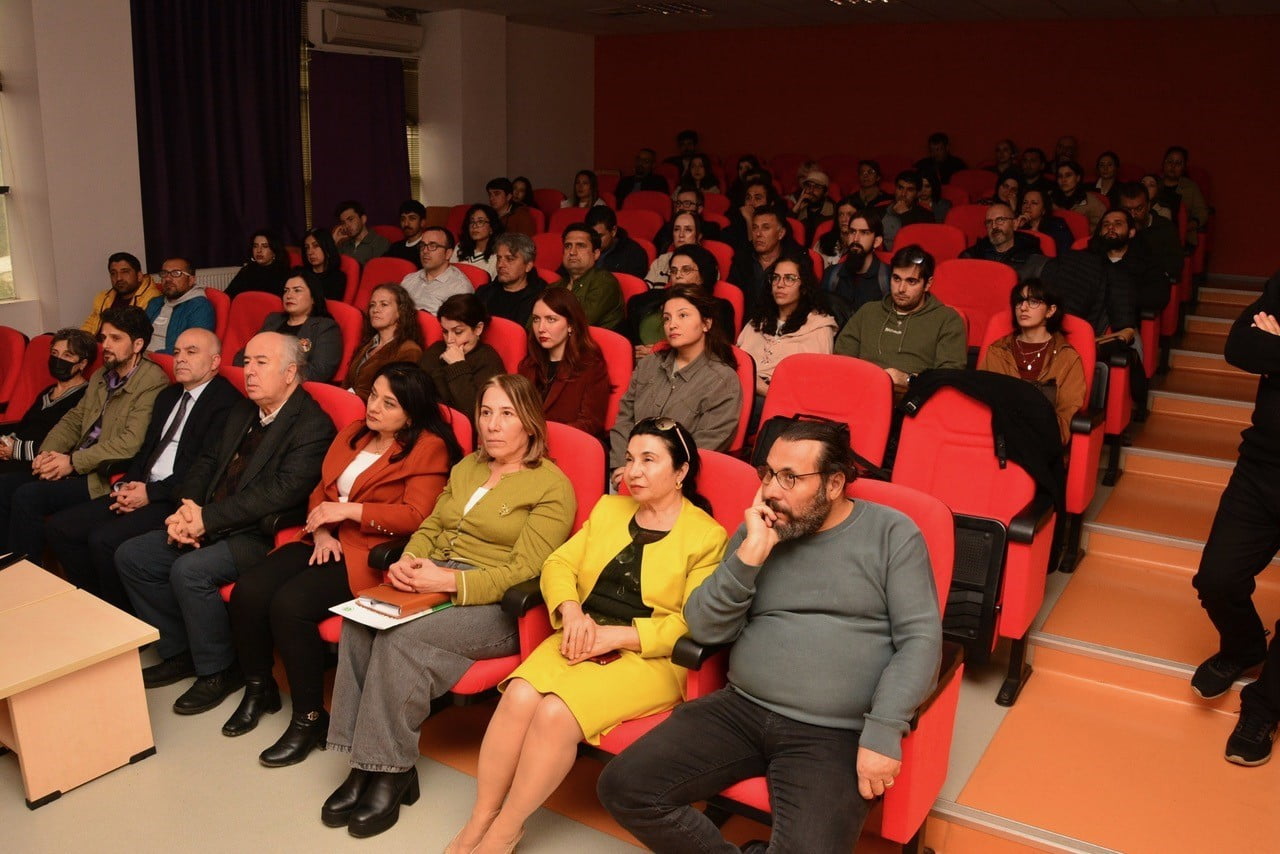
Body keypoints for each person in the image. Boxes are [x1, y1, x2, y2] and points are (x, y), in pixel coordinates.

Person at [599, 418, 942, 853]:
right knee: (624, 786)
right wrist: (749, 555)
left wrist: (884, 728)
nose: (771, 490)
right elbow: (703, 626)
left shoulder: (894, 535)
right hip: (740, 709)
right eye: (767, 474)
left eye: (790, 478)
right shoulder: (759, 531)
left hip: (834, 733)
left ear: (834, 483)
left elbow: (921, 640)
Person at [449, 417, 727, 853]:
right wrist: (571, 610)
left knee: (556, 713)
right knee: (520, 694)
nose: (633, 471)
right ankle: (480, 817)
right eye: (630, 459)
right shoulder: (608, 508)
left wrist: (616, 637)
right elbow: (559, 564)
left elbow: (691, 623)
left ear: (681, 471)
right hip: (582, 631)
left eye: (649, 460)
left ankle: (507, 829)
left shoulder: (707, 537)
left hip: (646, 656)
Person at [319, 374, 575, 839]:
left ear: (530, 425)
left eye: (506, 414)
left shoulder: (551, 486)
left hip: (497, 606)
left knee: (401, 639)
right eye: (485, 412)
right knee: (361, 620)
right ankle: (364, 762)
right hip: (434, 578)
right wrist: (410, 559)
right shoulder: (469, 467)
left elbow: (524, 572)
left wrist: (451, 581)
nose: (493, 425)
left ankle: (391, 771)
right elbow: (432, 525)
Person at [225, 363, 463, 766]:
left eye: (389, 403)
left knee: (290, 606)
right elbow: (322, 488)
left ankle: (309, 718)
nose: (375, 407)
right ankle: (258, 686)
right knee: (250, 590)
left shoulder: (427, 447)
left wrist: (348, 512)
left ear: (411, 412)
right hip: (323, 538)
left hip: (369, 553)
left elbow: (416, 515)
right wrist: (320, 529)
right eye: (373, 396)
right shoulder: (354, 432)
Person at [116, 332, 335, 715]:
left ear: (289, 372)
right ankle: (181, 649)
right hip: (210, 518)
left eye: (260, 363)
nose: (248, 371)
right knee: (133, 556)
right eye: (246, 361)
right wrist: (188, 509)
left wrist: (205, 521)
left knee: (189, 571)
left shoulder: (312, 424)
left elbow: (276, 495)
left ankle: (219, 670)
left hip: (262, 533)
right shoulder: (244, 409)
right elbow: (205, 462)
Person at [44, 329, 241, 612]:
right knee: (61, 528)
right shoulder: (168, 395)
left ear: (214, 362)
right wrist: (126, 484)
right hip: (142, 486)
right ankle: (96, 605)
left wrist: (149, 492)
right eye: (176, 352)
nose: (180, 359)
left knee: (103, 541)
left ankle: (125, 620)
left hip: (175, 497)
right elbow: (145, 450)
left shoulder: (226, 403)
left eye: (191, 352)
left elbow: (202, 469)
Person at [1189, 272, 1280, 766]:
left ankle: (1265, 705)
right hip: (1261, 466)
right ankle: (1245, 646)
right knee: (1217, 578)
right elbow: (1239, 345)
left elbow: (1262, 350)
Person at [0, 306, 168, 564]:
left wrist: (71, 462)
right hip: (77, 462)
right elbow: (74, 419)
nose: (106, 345)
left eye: (115, 338)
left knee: (28, 496)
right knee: (6, 486)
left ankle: (27, 573)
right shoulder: (103, 374)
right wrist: (47, 452)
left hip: (101, 475)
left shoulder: (152, 381)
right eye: (104, 338)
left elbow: (129, 443)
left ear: (137, 344)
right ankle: (8, 563)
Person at [610, 286, 741, 489]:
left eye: (683, 316)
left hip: (677, 484)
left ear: (706, 323)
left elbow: (705, 446)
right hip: (626, 474)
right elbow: (624, 419)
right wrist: (624, 465)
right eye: (667, 318)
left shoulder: (723, 380)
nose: (672, 325)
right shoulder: (648, 364)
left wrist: (647, 474)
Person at [834, 245, 967, 392]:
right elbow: (842, 360)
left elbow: (948, 377)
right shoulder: (868, 311)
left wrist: (907, 379)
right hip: (861, 393)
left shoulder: (947, 320)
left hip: (913, 401)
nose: (901, 289)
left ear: (927, 284)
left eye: (911, 281)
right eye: (896, 279)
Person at [978, 280, 1086, 445]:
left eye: (1033, 302)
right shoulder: (997, 351)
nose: (1023, 307)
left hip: (1043, 446)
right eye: (1019, 301)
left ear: (1051, 310)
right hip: (998, 443)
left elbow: (1065, 417)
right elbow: (981, 404)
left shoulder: (1067, 358)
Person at [737, 255, 837, 406]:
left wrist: (762, 388)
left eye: (789, 278)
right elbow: (736, 361)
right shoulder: (758, 320)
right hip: (740, 389)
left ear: (803, 286)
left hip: (781, 402)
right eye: (776, 278)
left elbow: (812, 386)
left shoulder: (819, 327)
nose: (780, 284)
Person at [518, 287, 611, 441]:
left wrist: (542, 434)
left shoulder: (591, 367)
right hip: (526, 448)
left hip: (568, 446)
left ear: (571, 325)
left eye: (551, 319)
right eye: (536, 319)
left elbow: (591, 424)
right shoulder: (528, 365)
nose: (541, 328)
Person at [0, 328, 96, 472]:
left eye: (67, 355)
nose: (58, 360)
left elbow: (65, 442)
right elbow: (24, 425)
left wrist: (15, 450)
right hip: (13, 455)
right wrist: (5, 443)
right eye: (55, 353)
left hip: (38, 463)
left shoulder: (85, 396)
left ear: (82, 364)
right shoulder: (48, 391)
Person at [628, 245, 735, 356]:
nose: (678, 275)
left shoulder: (720, 308)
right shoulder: (646, 300)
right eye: (674, 271)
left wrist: (659, 352)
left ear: (703, 275)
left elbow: (719, 350)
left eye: (686, 270)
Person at [233, 273, 342, 382]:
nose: (289, 295)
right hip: (256, 382)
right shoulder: (273, 320)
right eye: (286, 291)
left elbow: (320, 372)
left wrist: (272, 372)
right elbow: (242, 356)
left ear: (313, 298)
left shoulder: (325, 327)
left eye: (297, 290)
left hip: (294, 390)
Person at [419, 293, 505, 417]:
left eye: (458, 332)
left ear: (478, 329)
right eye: (444, 331)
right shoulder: (436, 349)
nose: (449, 339)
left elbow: (474, 413)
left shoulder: (489, 361)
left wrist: (457, 365)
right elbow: (415, 390)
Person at [343, 283, 425, 400]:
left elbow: (395, 397)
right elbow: (347, 382)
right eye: (372, 305)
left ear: (400, 312)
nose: (375, 310)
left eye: (384, 304)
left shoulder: (410, 350)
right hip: (350, 404)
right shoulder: (368, 344)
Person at [551, 224, 624, 331]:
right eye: (568, 246)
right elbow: (532, 325)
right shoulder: (554, 287)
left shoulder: (604, 282)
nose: (572, 252)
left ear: (596, 254)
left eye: (580, 246)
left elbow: (580, 322)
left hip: (595, 346)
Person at [822, 209, 890, 319]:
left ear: (877, 241)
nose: (855, 239)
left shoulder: (888, 278)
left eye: (864, 233)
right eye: (852, 232)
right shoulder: (831, 275)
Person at [728, 208, 795, 315]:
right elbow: (731, 297)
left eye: (766, 228)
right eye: (755, 228)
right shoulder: (742, 258)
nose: (758, 234)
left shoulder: (794, 261)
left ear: (781, 233)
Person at [1118, 182, 1184, 284]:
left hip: (1151, 283)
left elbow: (1174, 264)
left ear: (1148, 206)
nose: (1132, 215)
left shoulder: (1165, 228)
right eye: (1127, 210)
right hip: (1119, 280)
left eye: (1138, 209)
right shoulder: (1113, 226)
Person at [145, 257, 214, 354]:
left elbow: (192, 348)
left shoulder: (200, 307)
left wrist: (150, 356)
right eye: (164, 273)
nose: (168, 278)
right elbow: (138, 334)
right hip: (141, 357)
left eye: (176, 273)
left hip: (166, 362)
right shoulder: (155, 302)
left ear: (191, 280)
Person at [960, 202, 1047, 278]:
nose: (994, 226)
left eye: (1000, 220)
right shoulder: (974, 254)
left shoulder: (1031, 255)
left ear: (1014, 223)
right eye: (989, 222)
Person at [82, 252, 162, 333]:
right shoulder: (103, 297)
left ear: (139, 276)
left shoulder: (153, 298)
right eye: (113, 273)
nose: (118, 278)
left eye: (125, 272)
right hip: (95, 344)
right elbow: (88, 327)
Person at [400, 226, 474, 314]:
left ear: (448, 253)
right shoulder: (409, 279)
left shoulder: (459, 288)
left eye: (433, 246)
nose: (425, 251)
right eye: (423, 245)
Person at [478, 232, 546, 327]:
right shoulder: (483, 292)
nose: (500, 265)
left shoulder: (542, 297)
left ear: (528, 266)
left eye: (509, 259)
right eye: (499, 258)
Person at [1156, 145, 1209, 248]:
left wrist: (1187, 226)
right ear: (1164, 164)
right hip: (1155, 233)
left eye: (1178, 163)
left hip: (1181, 236)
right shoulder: (1154, 184)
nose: (1173, 166)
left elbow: (1202, 212)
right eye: (1170, 162)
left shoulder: (1190, 187)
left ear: (1184, 167)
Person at [586, 206, 649, 279]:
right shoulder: (582, 248)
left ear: (613, 231)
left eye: (600, 236)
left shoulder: (634, 254)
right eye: (592, 236)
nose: (595, 240)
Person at [225, 230, 291, 299]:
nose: (259, 250)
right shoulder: (247, 269)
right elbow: (228, 294)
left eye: (265, 246)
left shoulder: (283, 273)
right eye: (255, 246)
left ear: (274, 251)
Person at [881, 170, 935, 250]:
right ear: (895, 189)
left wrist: (905, 215)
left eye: (910, 190)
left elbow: (921, 243)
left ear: (918, 193)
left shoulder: (927, 217)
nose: (903, 194)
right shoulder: (879, 212)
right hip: (883, 257)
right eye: (900, 188)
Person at [645, 210, 701, 286]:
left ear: (698, 236)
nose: (681, 235)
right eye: (676, 229)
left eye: (688, 230)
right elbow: (646, 291)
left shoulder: (706, 262)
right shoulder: (661, 261)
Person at [1052, 160, 1106, 233]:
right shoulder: (1049, 198)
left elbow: (1104, 224)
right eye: (1060, 176)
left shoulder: (1091, 201)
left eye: (1068, 175)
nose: (1063, 180)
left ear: (1078, 178)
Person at [453, 204, 504, 278]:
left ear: (491, 228)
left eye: (480, 221)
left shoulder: (498, 254)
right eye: (472, 222)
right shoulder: (460, 247)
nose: (474, 226)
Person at [333, 201, 390, 267]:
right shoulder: (343, 244)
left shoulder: (381, 243)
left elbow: (378, 272)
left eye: (351, 219)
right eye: (343, 223)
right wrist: (335, 241)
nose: (347, 226)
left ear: (363, 219)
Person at [1020, 187, 1074, 256]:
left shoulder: (1057, 226)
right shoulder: (1018, 224)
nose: (1027, 206)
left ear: (1044, 210)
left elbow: (1066, 254)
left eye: (1034, 203)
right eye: (1025, 202)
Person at [301, 227, 348, 302]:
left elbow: (329, 306)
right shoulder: (300, 273)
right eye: (307, 248)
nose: (310, 252)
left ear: (327, 249)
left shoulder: (337, 278)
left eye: (316, 246)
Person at [788, 169, 834, 240]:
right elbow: (785, 229)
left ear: (825, 192)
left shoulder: (833, 210)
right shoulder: (800, 208)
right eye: (808, 186)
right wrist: (796, 208)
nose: (811, 190)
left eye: (817, 187)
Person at [384, 200, 429, 267]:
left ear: (422, 222)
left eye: (412, 218)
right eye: (403, 219)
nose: (406, 224)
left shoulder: (427, 248)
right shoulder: (395, 247)